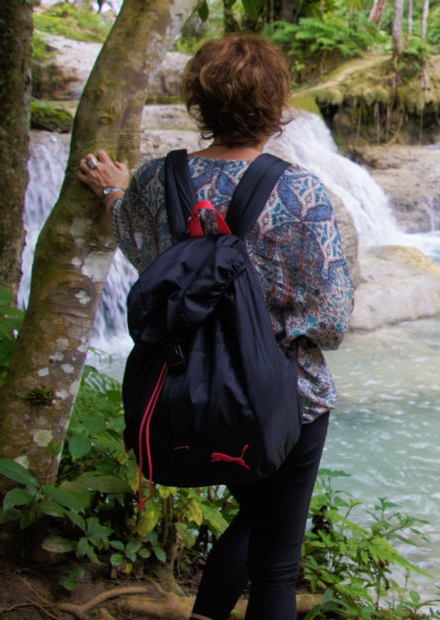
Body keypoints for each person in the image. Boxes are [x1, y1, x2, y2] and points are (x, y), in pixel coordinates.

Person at [76, 35, 354, 620]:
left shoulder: (156, 182)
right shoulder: (299, 191)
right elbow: (330, 319)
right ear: (278, 106)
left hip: (189, 393)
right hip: (284, 398)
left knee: (256, 516)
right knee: (277, 560)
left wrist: (110, 188)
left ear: (199, 105)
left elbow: (137, 245)